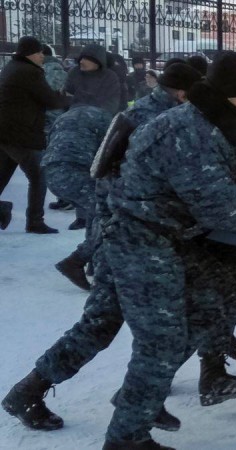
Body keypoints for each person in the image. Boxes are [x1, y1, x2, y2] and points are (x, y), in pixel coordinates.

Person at [1, 63, 204, 437]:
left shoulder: (139, 115)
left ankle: (29, 391)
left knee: (100, 325)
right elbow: (117, 181)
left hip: (119, 236)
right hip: (133, 240)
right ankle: (136, 401)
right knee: (164, 328)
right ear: (183, 93)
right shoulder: (161, 123)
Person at [98, 51, 236, 449]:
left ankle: (196, 379)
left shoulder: (216, 123)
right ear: (231, 95)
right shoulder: (189, 131)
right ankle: (126, 437)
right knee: (160, 341)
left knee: (219, 298)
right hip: (141, 239)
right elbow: (214, 203)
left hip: (177, 236)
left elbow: (235, 175)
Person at [0, 36, 69, 234]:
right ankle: (35, 221)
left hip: (6, 132)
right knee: (39, 176)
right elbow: (50, 99)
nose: (42, 56)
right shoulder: (29, 72)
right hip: (21, 134)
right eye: (39, 52)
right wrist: (71, 99)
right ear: (29, 53)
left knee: (2, 175)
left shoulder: (11, 67)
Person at [43, 105, 113, 290]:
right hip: (75, 171)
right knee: (108, 212)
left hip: (51, 172)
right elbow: (110, 152)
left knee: (96, 210)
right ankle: (75, 261)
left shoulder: (66, 116)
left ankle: (93, 263)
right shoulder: (106, 119)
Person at [64, 44, 121, 114]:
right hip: (72, 116)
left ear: (97, 62)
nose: (81, 61)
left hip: (100, 118)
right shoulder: (74, 73)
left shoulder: (110, 77)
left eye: (85, 59)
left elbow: (111, 105)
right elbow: (66, 97)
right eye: (81, 58)